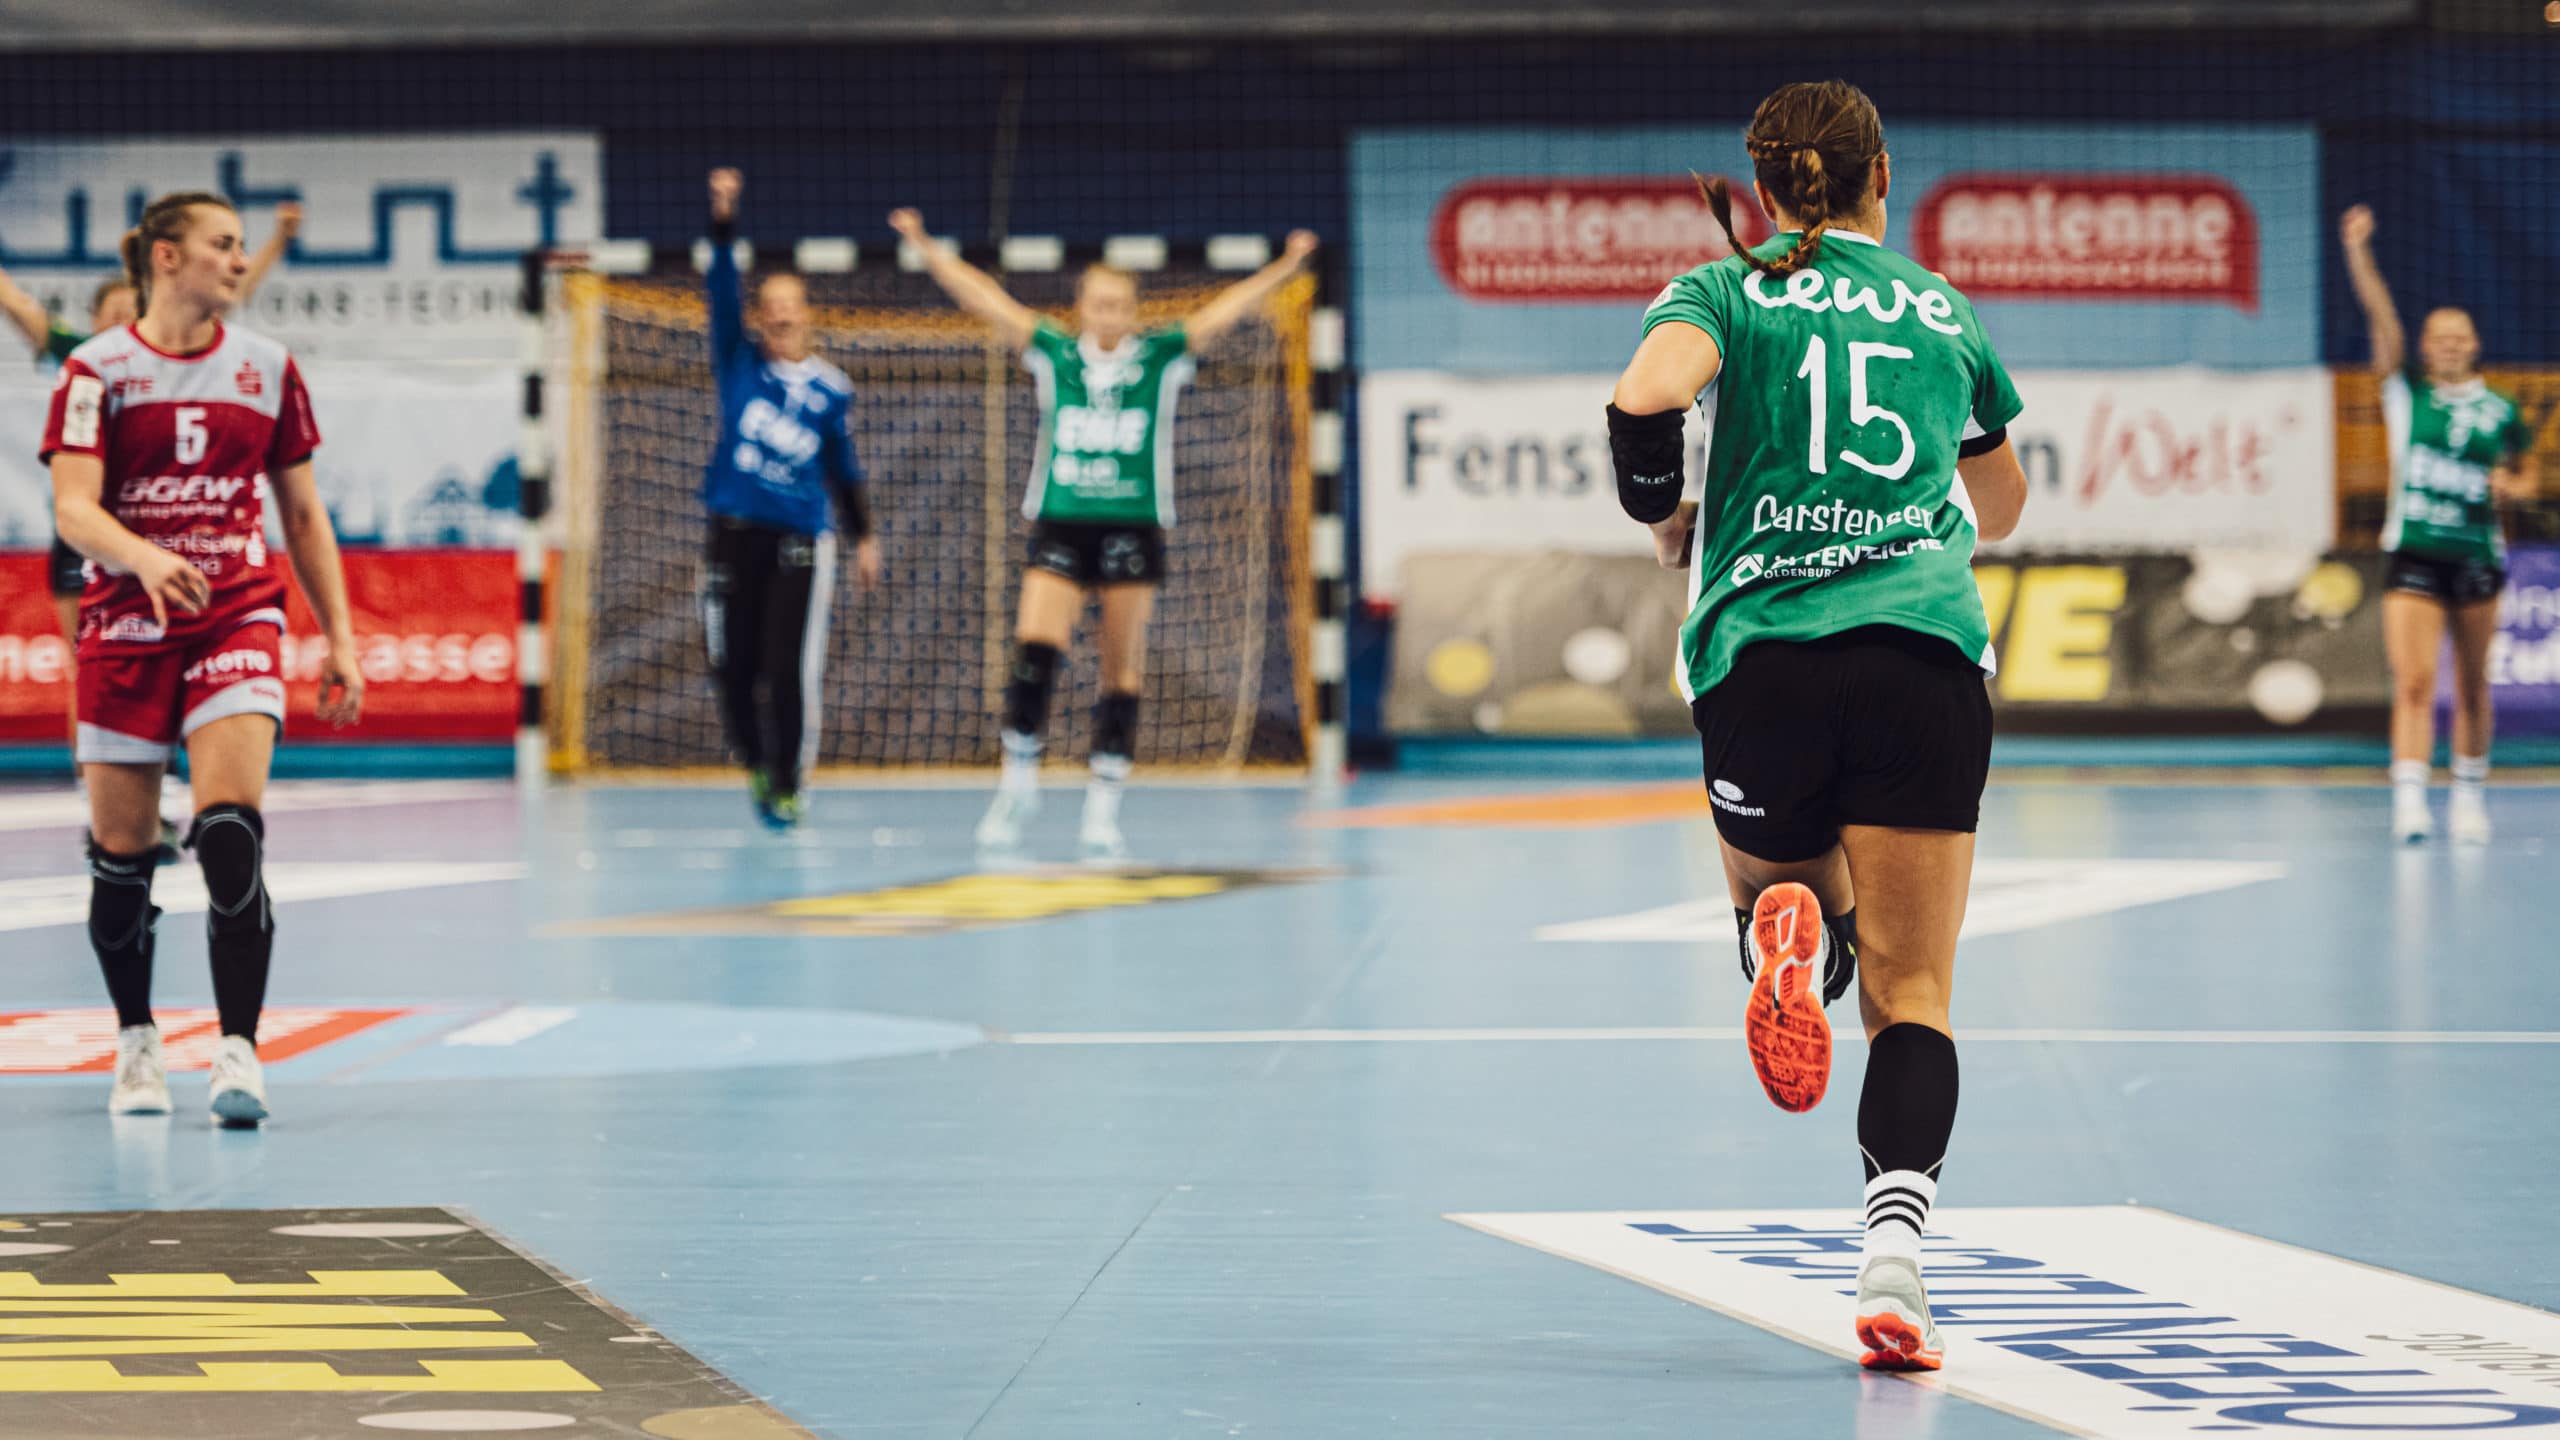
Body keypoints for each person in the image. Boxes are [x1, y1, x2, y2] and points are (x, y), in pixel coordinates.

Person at [1606, 80, 2027, 1371]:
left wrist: (1666, 512)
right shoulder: (1942, 309)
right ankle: (1894, 1263)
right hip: (1921, 657)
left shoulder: (1723, 290)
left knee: (1779, 902)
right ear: (1879, 176)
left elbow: (1643, 400)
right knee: (1914, 996)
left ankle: (1786, 934)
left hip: (1763, 661)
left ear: (1762, 189)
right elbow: (2005, 505)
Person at [42, 191, 362, 1126]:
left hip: (235, 614)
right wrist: (143, 559)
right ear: (167, 257)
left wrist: (340, 637)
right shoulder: (95, 370)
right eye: (223, 244)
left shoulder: (267, 369)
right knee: (121, 859)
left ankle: (238, 1050)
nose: (239, 259)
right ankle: (137, 1039)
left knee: (230, 831)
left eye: (242, 245)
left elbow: (302, 514)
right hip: (124, 624)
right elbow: (73, 508)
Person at [889, 206, 1316, 858]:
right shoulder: (1055, 353)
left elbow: (1223, 313)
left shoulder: (1159, 358)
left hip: (1131, 527)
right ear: (1082, 309)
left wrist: (1284, 268)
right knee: (1036, 650)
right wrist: (925, 246)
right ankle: (1017, 782)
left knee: (1121, 671)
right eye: (1099, 305)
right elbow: (986, 298)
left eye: (1119, 305)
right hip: (1063, 524)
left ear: (1133, 312)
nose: (1109, 315)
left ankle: (1102, 808)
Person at [3, 204, 304, 862]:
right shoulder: (84, 362)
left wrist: (278, 240)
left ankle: (175, 787)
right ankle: (106, 792)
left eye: (126, 315)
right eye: (107, 320)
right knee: (92, 664)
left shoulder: (205, 350)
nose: (120, 329)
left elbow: (234, 288)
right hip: (93, 539)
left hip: (197, 554)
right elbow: (20, 308)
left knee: (197, 676)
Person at [2340, 204, 2538, 845]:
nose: (2450, 344)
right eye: (2439, 336)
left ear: (2474, 345)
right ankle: (2409, 800)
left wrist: (2512, 487)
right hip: (2416, 550)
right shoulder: (2407, 395)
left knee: (2474, 684)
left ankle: (2470, 796)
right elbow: (2383, 321)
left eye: (2460, 336)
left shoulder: (2501, 411)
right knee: (2416, 680)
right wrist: (2359, 253)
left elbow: (2528, 475)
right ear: (2426, 347)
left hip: (2476, 553)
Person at [700, 169, 880, 830]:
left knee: (786, 668)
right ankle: (754, 759)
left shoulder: (831, 390)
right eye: (769, 304)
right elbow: (720, 291)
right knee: (731, 667)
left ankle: (786, 781)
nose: (780, 314)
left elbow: (843, 469)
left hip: (797, 540)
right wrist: (724, 223)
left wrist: (864, 537)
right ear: (758, 316)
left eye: (790, 304)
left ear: (805, 314)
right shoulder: (740, 363)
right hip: (731, 534)